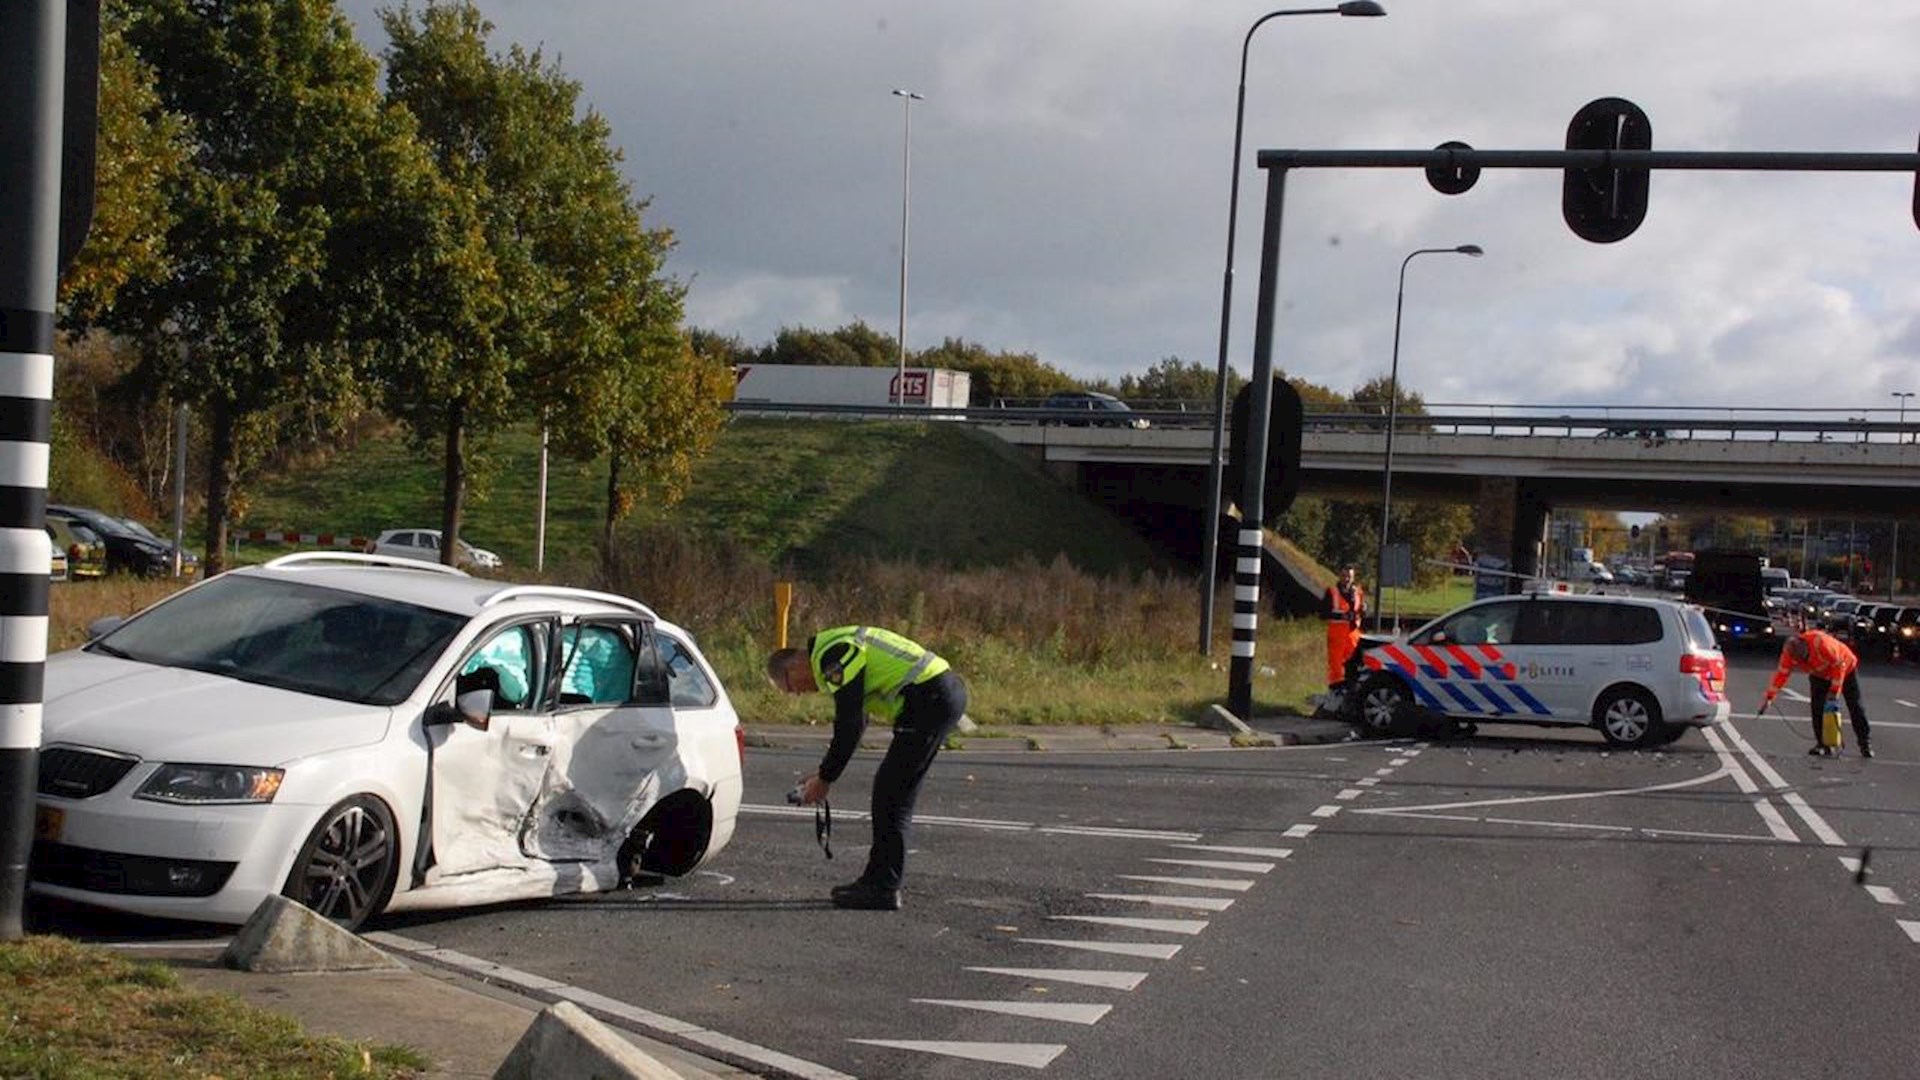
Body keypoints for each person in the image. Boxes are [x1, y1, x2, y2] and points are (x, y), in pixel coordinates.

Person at [766, 626, 968, 910]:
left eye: (789, 687)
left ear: (794, 665)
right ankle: (876, 882)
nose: (796, 694)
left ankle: (883, 888)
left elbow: (848, 723)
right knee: (889, 794)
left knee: (892, 798)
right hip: (933, 697)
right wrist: (823, 774)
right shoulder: (834, 650)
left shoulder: (833, 654)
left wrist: (825, 779)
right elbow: (858, 720)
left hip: (929, 698)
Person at [1760, 628, 1872, 758]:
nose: (1801, 661)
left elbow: (1839, 666)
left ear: (1805, 647)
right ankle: (1823, 744)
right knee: (1817, 707)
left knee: (1855, 706)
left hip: (1846, 669)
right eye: (1797, 659)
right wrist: (1769, 698)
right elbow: (1782, 674)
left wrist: (1834, 692)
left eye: (1802, 657)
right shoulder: (1789, 654)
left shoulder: (1821, 643)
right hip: (1819, 674)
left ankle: (1864, 743)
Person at [1322, 566, 1366, 693]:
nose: (1346, 579)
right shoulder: (1332, 591)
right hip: (1337, 633)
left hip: (1353, 634)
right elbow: (1324, 613)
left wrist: (1364, 610)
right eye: (1344, 576)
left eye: (1349, 576)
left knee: (1353, 662)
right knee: (1335, 662)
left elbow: (1362, 612)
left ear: (1353, 578)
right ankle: (1335, 688)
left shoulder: (1358, 592)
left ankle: (1352, 686)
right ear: (1339, 576)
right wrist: (1342, 616)